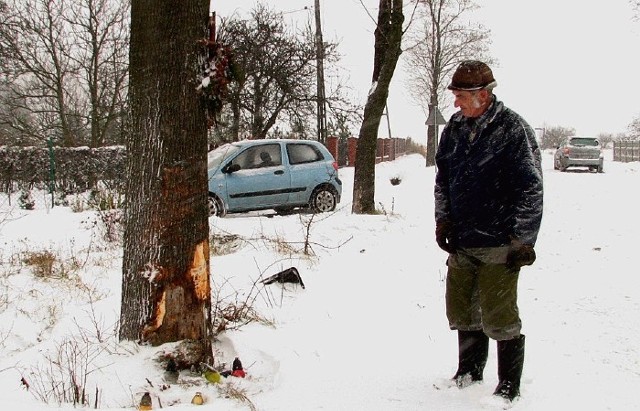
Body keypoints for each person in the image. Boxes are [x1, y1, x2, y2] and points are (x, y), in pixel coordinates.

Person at [434, 60, 543, 402]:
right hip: (464, 239)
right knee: (462, 308)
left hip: (500, 240)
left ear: (483, 95)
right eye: (454, 95)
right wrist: (443, 220)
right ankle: (469, 370)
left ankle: (509, 384)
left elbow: (530, 188)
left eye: (461, 96)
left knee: (499, 314)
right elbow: (443, 181)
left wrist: (523, 240)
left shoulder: (512, 129)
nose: (456, 103)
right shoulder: (452, 129)